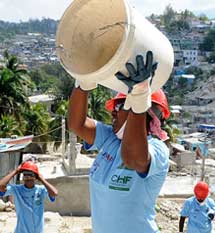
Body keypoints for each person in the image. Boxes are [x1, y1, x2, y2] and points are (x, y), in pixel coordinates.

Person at [68, 51, 170, 233]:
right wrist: (82, 82)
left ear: (143, 110)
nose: (113, 112)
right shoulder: (110, 139)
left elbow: (133, 159)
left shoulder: (158, 150)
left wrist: (139, 98)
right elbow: (77, 124)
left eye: (119, 105)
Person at [0, 161, 58, 233]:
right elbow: (1, 186)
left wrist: (42, 179)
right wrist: (15, 171)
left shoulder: (41, 190)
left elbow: (54, 193)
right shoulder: (16, 189)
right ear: (23, 178)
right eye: (26, 175)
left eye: (31, 175)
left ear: (36, 178)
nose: (28, 178)